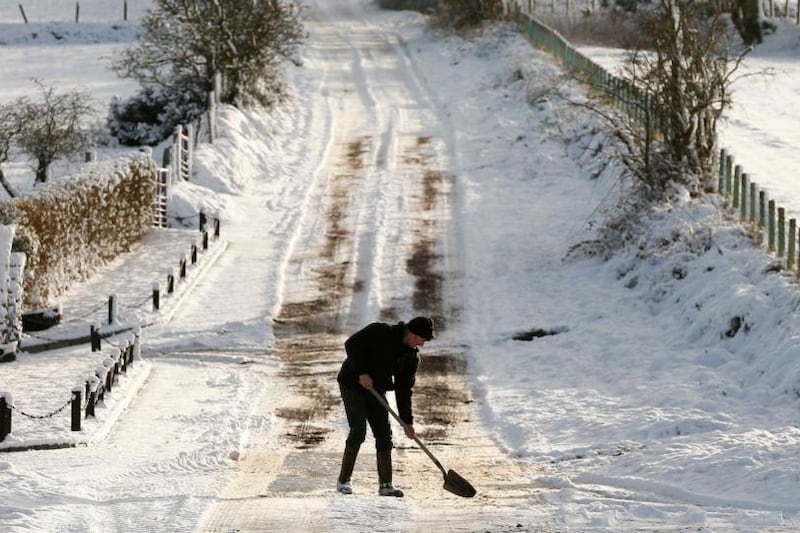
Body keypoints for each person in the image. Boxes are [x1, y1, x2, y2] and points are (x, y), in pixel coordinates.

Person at [335, 316, 434, 497]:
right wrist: (362, 372)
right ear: (412, 333)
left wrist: (407, 423)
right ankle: (344, 480)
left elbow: (404, 391)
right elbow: (351, 344)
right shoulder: (380, 331)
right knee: (358, 430)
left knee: (383, 433)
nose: (423, 344)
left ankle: (386, 485)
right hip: (352, 382)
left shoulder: (411, 358)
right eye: (422, 339)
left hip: (376, 388)